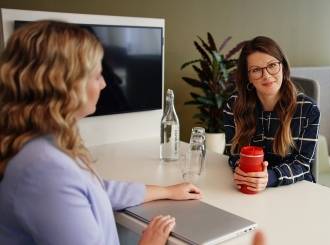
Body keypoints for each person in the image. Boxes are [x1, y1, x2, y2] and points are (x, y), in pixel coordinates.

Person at [0, 21, 202, 245]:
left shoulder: (42, 143)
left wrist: (167, 191)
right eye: (97, 75)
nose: (105, 84)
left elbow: (93, 189)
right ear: (64, 85)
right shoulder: (43, 169)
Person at [223, 36, 320, 192]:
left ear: (283, 67)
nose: (266, 75)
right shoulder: (234, 106)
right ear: (248, 77)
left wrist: (270, 176)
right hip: (249, 187)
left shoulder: (308, 109)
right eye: (256, 70)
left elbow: (303, 163)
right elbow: (233, 153)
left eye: (272, 65)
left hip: (295, 189)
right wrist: (241, 171)